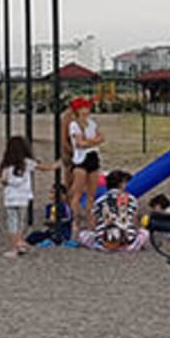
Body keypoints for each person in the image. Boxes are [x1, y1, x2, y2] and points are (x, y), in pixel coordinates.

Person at [0, 136, 60, 259]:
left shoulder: (6, 165)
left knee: (12, 223)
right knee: (21, 222)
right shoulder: (27, 162)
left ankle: (15, 247)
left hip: (10, 199)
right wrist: (59, 163)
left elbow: (3, 180)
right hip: (23, 198)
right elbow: (46, 167)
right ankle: (20, 243)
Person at [79, 170, 149, 252]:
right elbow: (134, 220)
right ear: (121, 184)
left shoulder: (99, 200)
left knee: (83, 234)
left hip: (104, 243)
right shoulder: (131, 199)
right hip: (127, 243)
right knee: (145, 233)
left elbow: (93, 223)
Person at [67, 96, 105, 239]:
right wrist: (94, 141)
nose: (86, 110)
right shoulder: (74, 125)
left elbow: (101, 138)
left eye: (87, 108)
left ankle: (91, 222)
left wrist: (90, 142)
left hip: (93, 158)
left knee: (91, 194)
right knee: (77, 193)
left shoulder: (92, 123)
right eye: (83, 108)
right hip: (81, 160)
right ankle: (74, 221)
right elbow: (79, 143)